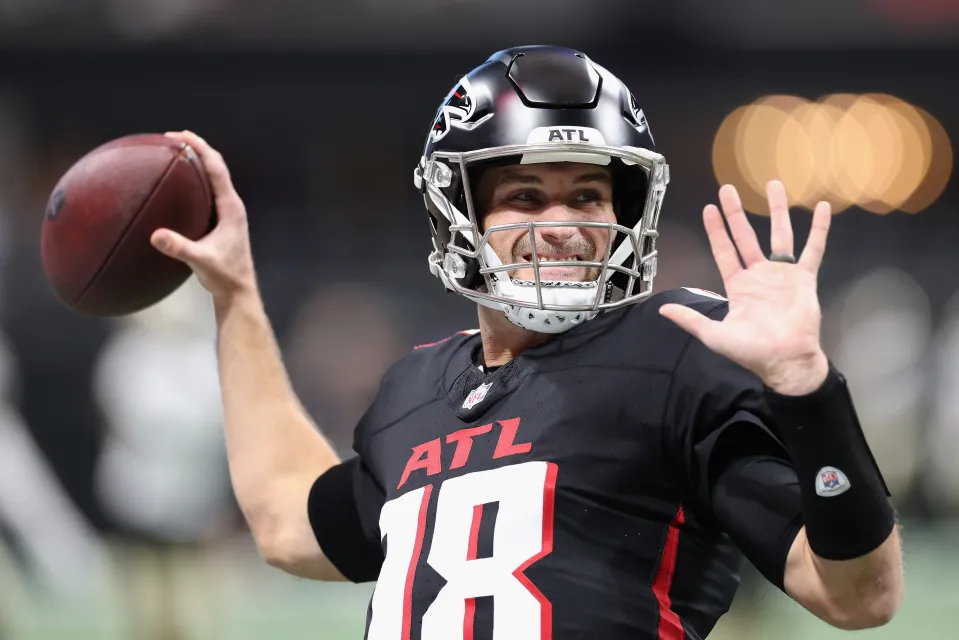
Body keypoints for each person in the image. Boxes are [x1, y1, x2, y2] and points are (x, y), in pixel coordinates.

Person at [150, 46, 903, 639]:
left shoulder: (673, 355)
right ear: (460, 215)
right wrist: (235, 296)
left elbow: (859, 595)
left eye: (587, 194)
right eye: (523, 196)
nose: (564, 224)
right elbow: (288, 523)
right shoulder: (414, 392)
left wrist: (809, 391)